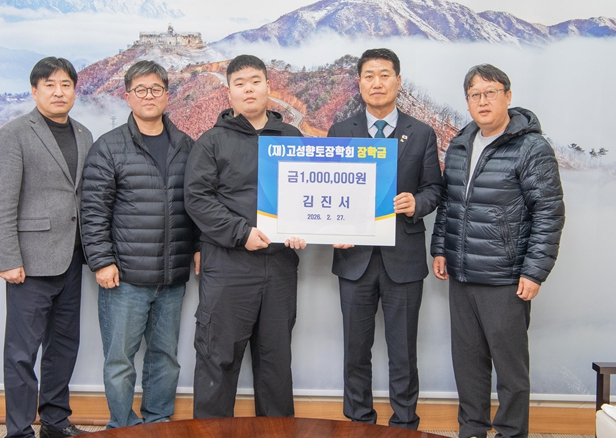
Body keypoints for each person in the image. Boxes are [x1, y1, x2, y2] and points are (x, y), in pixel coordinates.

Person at [431, 64, 565, 438]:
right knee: (468, 365)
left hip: (506, 278)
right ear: (467, 102)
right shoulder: (460, 144)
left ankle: (511, 433)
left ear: (508, 96)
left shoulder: (531, 147)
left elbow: (549, 212)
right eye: (475, 94)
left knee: (510, 370)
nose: (483, 101)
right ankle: (471, 430)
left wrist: (534, 271)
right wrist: (440, 248)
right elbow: (448, 203)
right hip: (461, 275)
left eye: (490, 92)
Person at [327, 48, 444, 429]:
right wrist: (331, 228)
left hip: (403, 259)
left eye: (384, 75)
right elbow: (329, 190)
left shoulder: (421, 133)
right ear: (359, 83)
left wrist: (416, 203)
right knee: (355, 352)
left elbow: (434, 189)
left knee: (404, 353)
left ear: (398, 80)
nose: (377, 83)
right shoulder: (340, 132)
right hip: (354, 259)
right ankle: (358, 423)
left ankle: (405, 425)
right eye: (369, 76)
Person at [184, 54, 306, 419]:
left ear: (269, 86)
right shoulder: (211, 141)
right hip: (228, 265)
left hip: (279, 266)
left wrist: (305, 228)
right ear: (229, 92)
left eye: (255, 81)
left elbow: (307, 194)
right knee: (217, 359)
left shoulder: (292, 138)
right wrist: (241, 234)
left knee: (276, 363)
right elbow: (197, 199)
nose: (248, 89)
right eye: (240, 83)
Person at [80, 60, 199, 429]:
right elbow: (93, 211)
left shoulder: (187, 145)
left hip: (172, 277)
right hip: (125, 278)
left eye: (156, 89)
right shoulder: (109, 147)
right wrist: (101, 261)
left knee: (165, 358)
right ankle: (122, 426)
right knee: (119, 360)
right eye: (140, 90)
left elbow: (197, 204)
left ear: (167, 95)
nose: (149, 96)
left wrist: (197, 247)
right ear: (127, 95)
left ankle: (158, 421)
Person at [0, 57, 92, 438]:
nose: (58, 92)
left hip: (72, 258)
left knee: (64, 345)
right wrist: (8, 258)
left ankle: (55, 422)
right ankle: (19, 429)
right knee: (22, 352)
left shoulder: (84, 133)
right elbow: (4, 200)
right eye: (50, 85)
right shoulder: (15, 133)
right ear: (35, 90)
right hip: (29, 262)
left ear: (74, 90)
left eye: (66, 84)